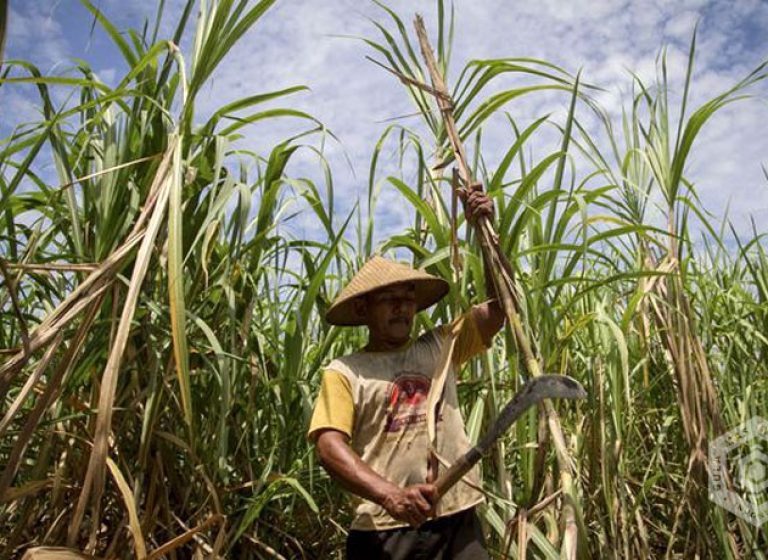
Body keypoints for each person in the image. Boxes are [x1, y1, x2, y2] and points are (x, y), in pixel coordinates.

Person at [308, 185, 505, 558]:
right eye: (389, 299)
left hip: (456, 520)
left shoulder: (441, 346)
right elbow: (329, 446)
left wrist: (486, 235)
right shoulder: (346, 372)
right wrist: (392, 496)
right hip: (386, 531)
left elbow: (500, 309)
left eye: (409, 298)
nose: (402, 308)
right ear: (364, 310)